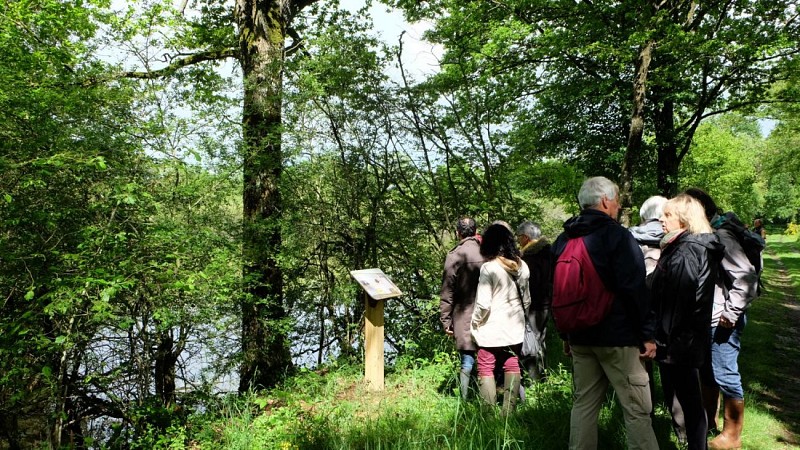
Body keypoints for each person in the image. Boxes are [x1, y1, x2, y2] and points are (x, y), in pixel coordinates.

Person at [552, 176, 658, 450]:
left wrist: (566, 333)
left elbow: (555, 291)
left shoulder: (563, 239)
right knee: (636, 408)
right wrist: (647, 335)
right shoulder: (618, 237)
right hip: (618, 338)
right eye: (616, 200)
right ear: (605, 201)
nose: (618, 205)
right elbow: (634, 288)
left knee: (584, 404)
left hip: (579, 337)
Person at [685, 188, 759, 450]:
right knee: (708, 372)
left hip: (723, 318)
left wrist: (730, 313)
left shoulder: (722, 236)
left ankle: (732, 436)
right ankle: (710, 422)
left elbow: (746, 276)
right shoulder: (710, 234)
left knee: (725, 373)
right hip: (710, 318)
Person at [651, 195, 724, 450]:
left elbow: (678, 302)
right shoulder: (694, 245)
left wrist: (661, 339)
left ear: (684, 219)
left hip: (679, 341)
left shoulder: (686, 250)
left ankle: (697, 446)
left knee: (691, 402)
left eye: (668, 214)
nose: (662, 218)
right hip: (688, 337)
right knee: (691, 400)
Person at [470, 223, 531, 414]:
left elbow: (483, 304)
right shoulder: (523, 266)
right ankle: (508, 413)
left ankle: (488, 414)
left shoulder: (489, 268)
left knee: (486, 366)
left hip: (491, 329)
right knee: (512, 363)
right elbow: (527, 300)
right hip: (515, 328)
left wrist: (475, 324)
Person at [440, 217, 483, 400]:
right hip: (488, 313)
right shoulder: (488, 252)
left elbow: (447, 291)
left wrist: (446, 320)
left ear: (458, 233)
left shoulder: (454, 256)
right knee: (490, 357)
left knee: (467, 358)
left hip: (463, 314)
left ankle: (465, 400)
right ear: (475, 231)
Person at [516, 221, 553, 383]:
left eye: (519, 238)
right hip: (547, 303)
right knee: (541, 339)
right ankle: (543, 374)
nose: (518, 242)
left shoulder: (528, 258)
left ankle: (534, 379)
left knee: (530, 341)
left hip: (532, 305)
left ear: (525, 238)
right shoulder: (551, 252)